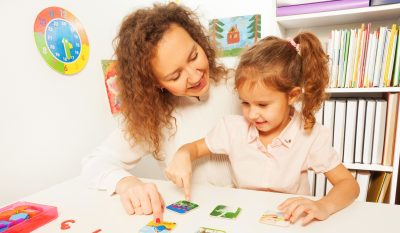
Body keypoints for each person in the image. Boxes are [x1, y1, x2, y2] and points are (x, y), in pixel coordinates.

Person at [165, 32, 360, 226]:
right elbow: (195, 149)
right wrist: (183, 153)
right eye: (245, 103)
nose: (251, 114)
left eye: (263, 105)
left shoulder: (310, 135)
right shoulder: (232, 129)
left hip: (291, 223)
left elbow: (349, 185)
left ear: (292, 96)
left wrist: (323, 206)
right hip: (243, 220)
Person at [81, 3, 241, 221]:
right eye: (175, 76)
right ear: (154, 83)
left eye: (194, 56)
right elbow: (94, 163)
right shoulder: (153, 116)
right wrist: (128, 184)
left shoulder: (239, 85)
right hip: (198, 220)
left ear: (199, 40)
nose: (195, 77)